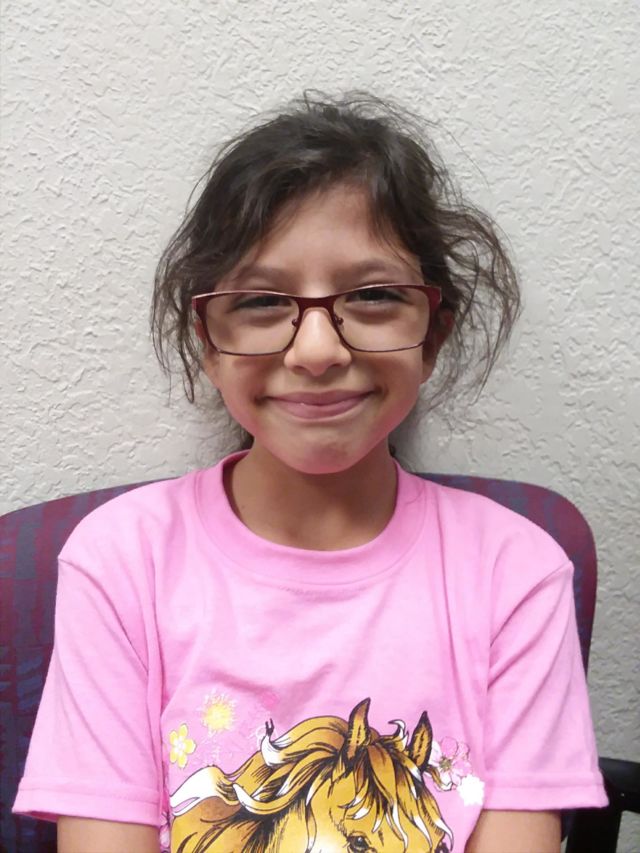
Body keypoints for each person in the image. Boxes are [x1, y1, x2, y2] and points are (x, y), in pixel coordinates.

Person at [13, 92, 607, 853]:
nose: (318, 351)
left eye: (374, 296)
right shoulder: (121, 559)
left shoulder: (515, 570)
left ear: (433, 334)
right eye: (262, 301)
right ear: (208, 342)